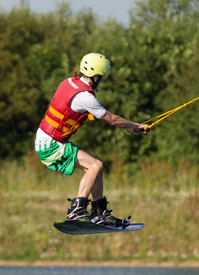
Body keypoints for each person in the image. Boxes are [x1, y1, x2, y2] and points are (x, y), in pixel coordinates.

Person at [35, 53, 149, 227]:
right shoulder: (85, 97)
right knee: (94, 166)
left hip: (47, 139)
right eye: (101, 77)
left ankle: (99, 212)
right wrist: (134, 125)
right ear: (95, 75)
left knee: (97, 167)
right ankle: (77, 209)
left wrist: (128, 126)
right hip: (50, 144)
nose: (101, 80)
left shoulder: (68, 82)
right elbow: (112, 119)